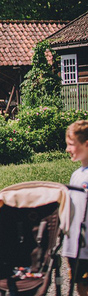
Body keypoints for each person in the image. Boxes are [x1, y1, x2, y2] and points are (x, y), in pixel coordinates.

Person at [64, 120, 88, 296]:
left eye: (71, 145)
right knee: (80, 286)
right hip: (75, 245)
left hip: (86, 244)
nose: (67, 149)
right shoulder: (76, 175)